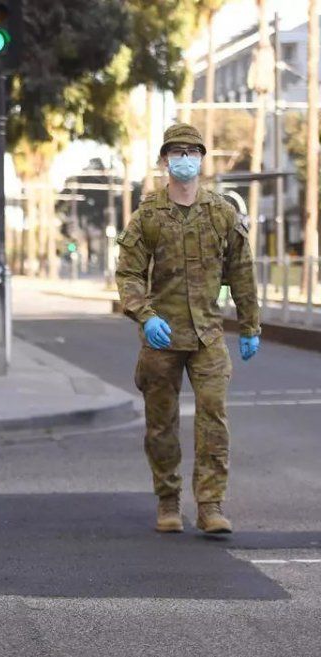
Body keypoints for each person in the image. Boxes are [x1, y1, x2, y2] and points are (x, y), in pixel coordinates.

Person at [116, 122, 260, 535]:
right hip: (162, 338)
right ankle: (168, 501)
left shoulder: (221, 213)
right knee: (160, 424)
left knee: (213, 418)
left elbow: (242, 271)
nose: (184, 159)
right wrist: (145, 315)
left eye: (191, 152)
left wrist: (250, 325)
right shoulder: (148, 216)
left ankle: (211, 505)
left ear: (201, 159)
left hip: (208, 336)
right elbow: (127, 274)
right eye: (176, 153)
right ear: (164, 161)